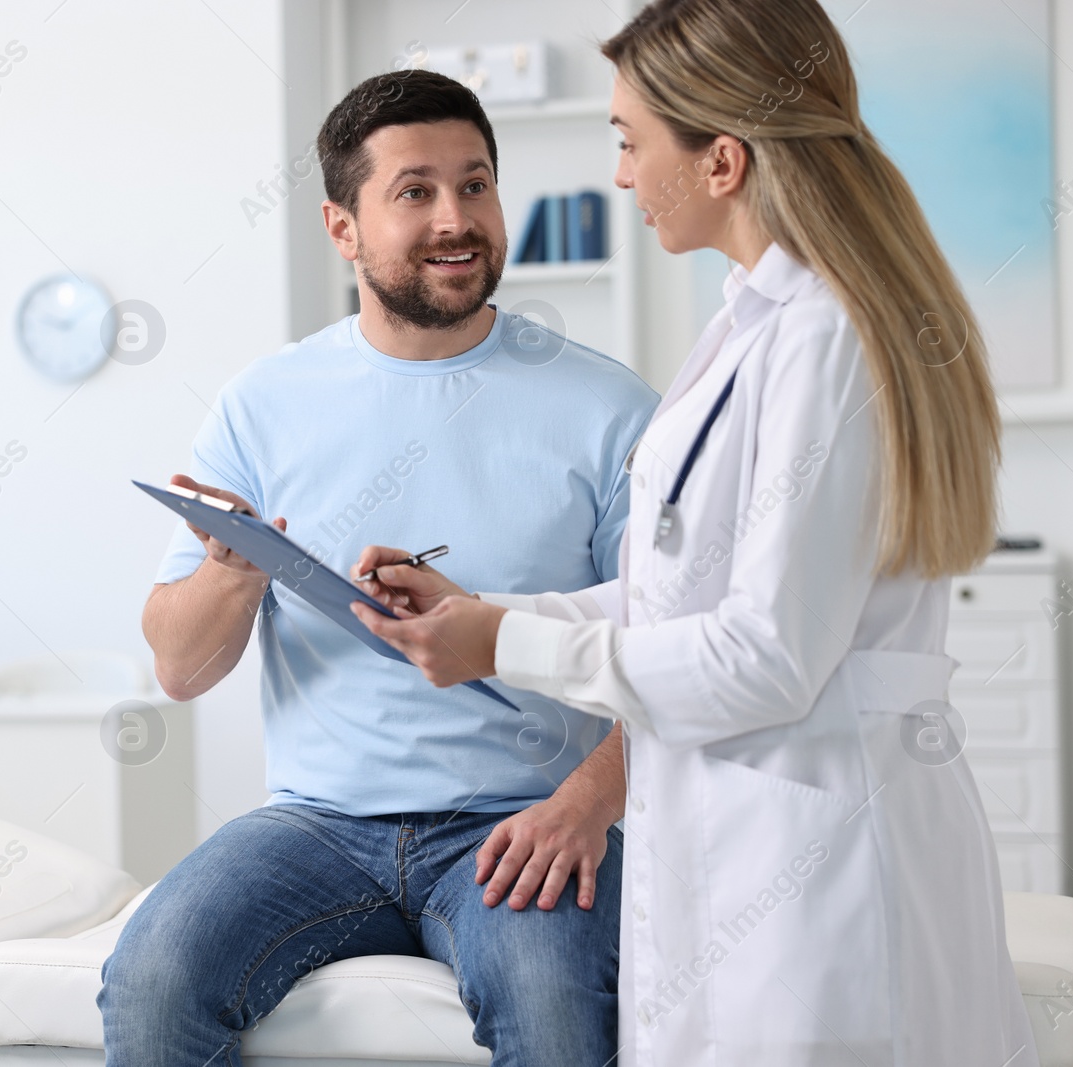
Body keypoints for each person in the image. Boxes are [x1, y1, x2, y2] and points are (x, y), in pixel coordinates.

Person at [350, 2, 1038, 1064]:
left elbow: (762, 659)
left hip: (820, 857)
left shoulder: (822, 339)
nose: (620, 175)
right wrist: (487, 611)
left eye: (629, 142)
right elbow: (681, 590)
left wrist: (504, 647)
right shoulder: (750, 325)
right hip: (745, 833)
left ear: (719, 160)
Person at [98, 69, 658, 1065]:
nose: (457, 218)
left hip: (520, 818)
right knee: (151, 976)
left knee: (556, 1008)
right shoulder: (261, 403)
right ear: (341, 226)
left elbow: (677, 647)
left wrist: (587, 803)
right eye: (415, 191)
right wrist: (236, 567)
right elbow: (180, 668)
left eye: (475, 184)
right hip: (317, 824)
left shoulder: (608, 409)